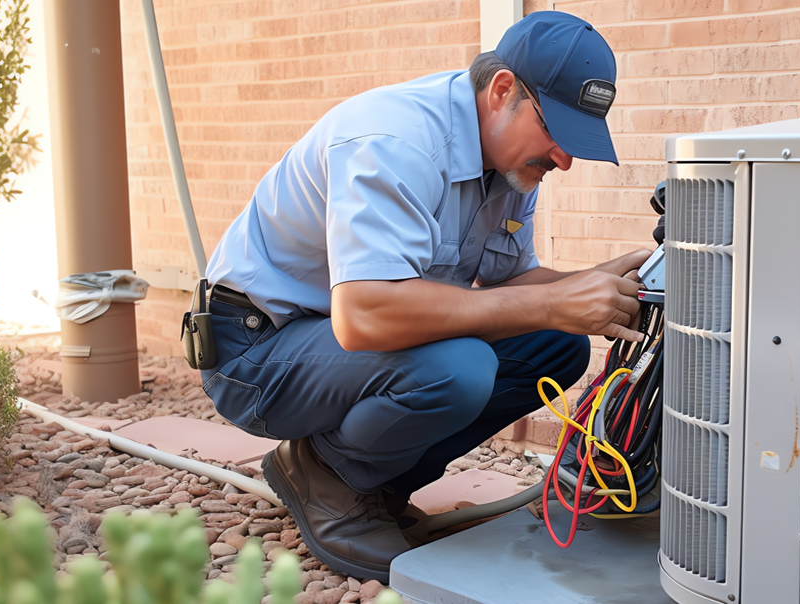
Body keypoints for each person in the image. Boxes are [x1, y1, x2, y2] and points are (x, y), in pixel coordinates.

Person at [197, 11, 650, 581]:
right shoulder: (396, 140)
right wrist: (549, 303)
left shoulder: (510, 167)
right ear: (502, 90)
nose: (563, 158)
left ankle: (378, 482)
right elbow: (366, 317)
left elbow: (507, 289)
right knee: (457, 368)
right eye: (556, 132)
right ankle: (326, 476)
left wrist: (594, 280)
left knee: (555, 347)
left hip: (340, 345)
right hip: (256, 349)